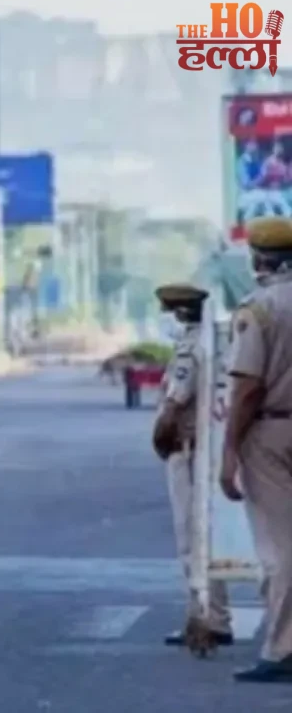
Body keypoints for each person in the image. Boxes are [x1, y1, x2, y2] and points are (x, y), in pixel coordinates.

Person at [222, 216, 292, 682]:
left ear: (259, 259)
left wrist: (229, 452)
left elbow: (247, 388)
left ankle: (284, 649)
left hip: (270, 433)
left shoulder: (261, 308)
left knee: (280, 545)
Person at [150, 283, 233, 649]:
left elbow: (173, 405)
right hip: (202, 448)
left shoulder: (190, 346)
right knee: (204, 538)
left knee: (191, 539)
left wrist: (159, 435)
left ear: (182, 312)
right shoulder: (212, 341)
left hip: (186, 451)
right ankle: (213, 616)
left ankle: (206, 619)